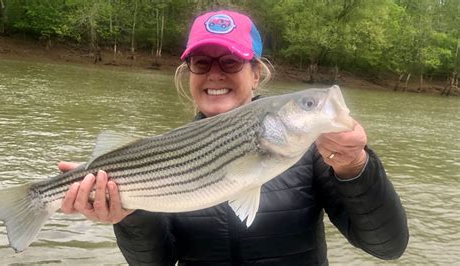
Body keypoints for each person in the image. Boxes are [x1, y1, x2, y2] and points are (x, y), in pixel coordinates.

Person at [60, 10, 408, 265]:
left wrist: (356, 168)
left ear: (256, 74)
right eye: (201, 62)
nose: (215, 73)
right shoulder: (164, 153)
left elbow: (387, 247)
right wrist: (127, 215)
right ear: (189, 73)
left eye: (230, 62)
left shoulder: (317, 152)